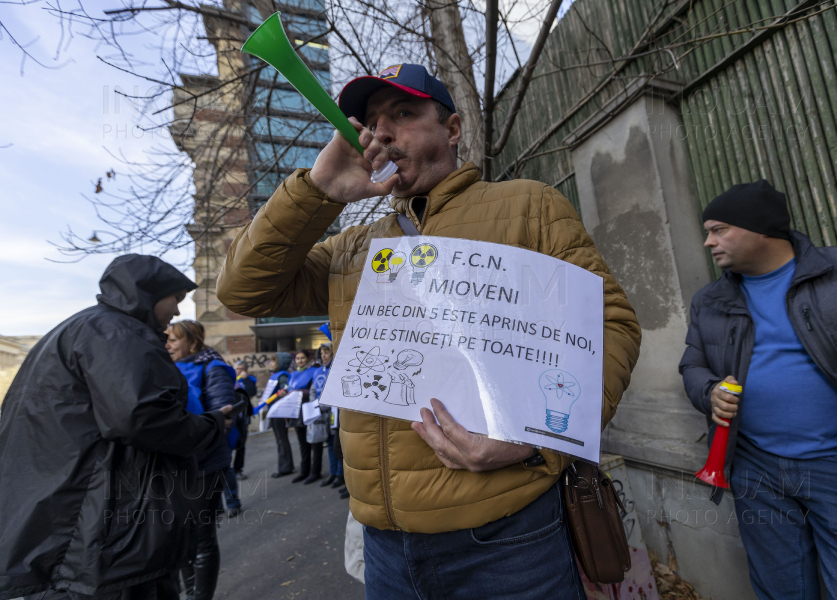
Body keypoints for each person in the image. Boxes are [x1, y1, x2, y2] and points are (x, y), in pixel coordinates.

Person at [216, 63, 640, 598]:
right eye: (371, 121)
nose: (381, 131)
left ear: (453, 129)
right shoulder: (351, 248)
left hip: (510, 535)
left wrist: (536, 438)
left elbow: (610, 325)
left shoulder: (529, 206)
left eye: (404, 114)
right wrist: (316, 191)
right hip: (385, 546)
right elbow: (242, 292)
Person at [679, 180, 837, 599]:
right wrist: (708, 391)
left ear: (762, 228)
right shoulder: (709, 300)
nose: (708, 242)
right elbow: (692, 364)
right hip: (756, 469)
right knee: (781, 589)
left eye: (719, 229)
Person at [0, 254, 232, 600]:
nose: (177, 313)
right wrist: (215, 425)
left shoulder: (79, 328)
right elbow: (145, 420)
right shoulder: (119, 333)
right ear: (150, 293)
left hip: (64, 517)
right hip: (103, 526)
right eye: (176, 300)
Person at [166, 320, 236, 600]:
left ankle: (200, 596)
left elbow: (224, 418)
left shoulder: (213, 367)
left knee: (202, 537)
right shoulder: (168, 368)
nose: (168, 344)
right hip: (177, 465)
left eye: (174, 339)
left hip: (205, 464)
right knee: (182, 536)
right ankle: (190, 591)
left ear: (193, 342)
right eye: (167, 339)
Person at [288, 349, 325, 484]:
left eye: (302, 358)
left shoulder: (313, 372)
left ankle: (315, 472)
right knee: (303, 444)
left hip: (310, 411)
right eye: (297, 358)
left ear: (308, 359)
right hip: (297, 414)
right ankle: (305, 471)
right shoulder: (292, 375)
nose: (300, 360)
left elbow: (313, 391)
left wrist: (298, 392)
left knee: (315, 443)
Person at [312, 342, 344, 490]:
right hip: (321, 411)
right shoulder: (318, 370)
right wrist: (315, 403)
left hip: (333, 412)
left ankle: (340, 474)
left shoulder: (335, 369)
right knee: (329, 444)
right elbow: (313, 389)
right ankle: (332, 473)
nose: (323, 355)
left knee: (337, 444)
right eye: (321, 352)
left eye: (326, 352)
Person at [263, 352, 297, 478]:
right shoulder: (276, 375)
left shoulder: (282, 376)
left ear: (280, 363)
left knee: (281, 439)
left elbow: (285, 392)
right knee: (280, 439)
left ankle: (285, 467)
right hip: (275, 411)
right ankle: (285, 465)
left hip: (279, 412)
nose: (270, 364)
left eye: (273, 361)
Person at [232, 360, 257, 481]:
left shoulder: (249, 380)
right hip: (232, 417)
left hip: (243, 417)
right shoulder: (229, 379)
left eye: (241, 369)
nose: (239, 371)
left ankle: (238, 469)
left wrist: (246, 379)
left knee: (241, 444)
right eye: (237, 369)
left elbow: (252, 392)